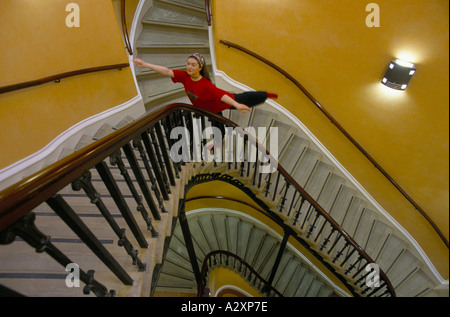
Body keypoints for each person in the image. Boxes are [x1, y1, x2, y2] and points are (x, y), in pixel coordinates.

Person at [132, 53, 277, 114]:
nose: (189, 67)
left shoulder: (206, 85)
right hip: (207, 109)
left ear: (200, 68)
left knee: (246, 98)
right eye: (188, 64)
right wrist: (145, 64)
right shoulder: (185, 76)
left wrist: (237, 105)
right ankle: (217, 143)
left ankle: (268, 95)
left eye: (193, 65)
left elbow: (222, 96)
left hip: (221, 104)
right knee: (218, 126)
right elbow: (167, 71)